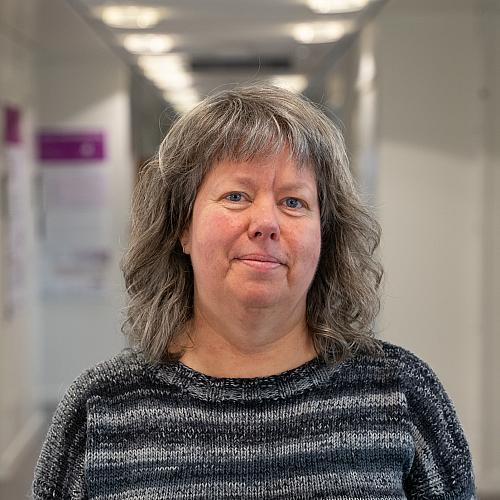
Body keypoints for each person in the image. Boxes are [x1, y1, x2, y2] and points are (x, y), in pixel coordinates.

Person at [33, 84, 475, 499]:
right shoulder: (100, 410)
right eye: (236, 196)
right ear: (183, 227)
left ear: (325, 235)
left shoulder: (401, 394)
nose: (266, 223)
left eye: (293, 202)